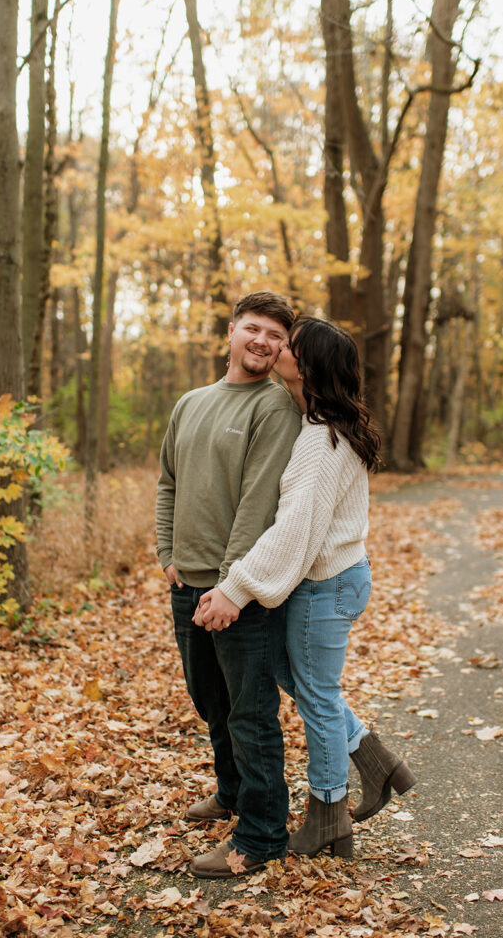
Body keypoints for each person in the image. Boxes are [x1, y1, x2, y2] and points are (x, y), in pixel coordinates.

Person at [194, 316, 416, 858]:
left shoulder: (321, 440)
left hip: (327, 586)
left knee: (316, 698)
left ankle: (328, 816)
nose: (278, 350)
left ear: (308, 364)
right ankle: (372, 757)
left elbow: (295, 527)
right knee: (294, 677)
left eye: (289, 346)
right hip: (330, 580)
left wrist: (238, 587)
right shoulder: (316, 421)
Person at [155, 291, 302, 879]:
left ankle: (263, 834)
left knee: (250, 711)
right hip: (185, 584)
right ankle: (233, 792)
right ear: (232, 332)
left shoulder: (275, 409)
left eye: (276, 336)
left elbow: (257, 504)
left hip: (239, 591)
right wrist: (166, 553)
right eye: (254, 329)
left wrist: (230, 588)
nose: (263, 342)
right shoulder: (190, 403)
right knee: (210, 702)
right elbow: (167, 481)